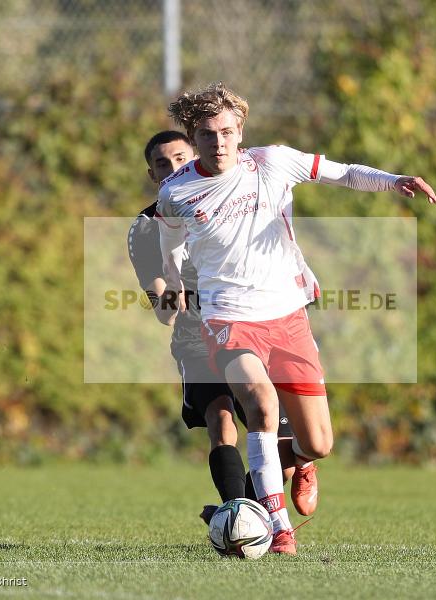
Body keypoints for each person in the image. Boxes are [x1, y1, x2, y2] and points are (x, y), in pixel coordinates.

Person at [156, 83, 436, 554]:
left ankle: (304, 462)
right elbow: (169, 247)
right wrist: (174, 282)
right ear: (194, 135)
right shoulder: (176, 191)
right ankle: (278, 527)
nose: (219, 142)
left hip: (288, 316)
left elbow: (342, 173)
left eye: (227, 132)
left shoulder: (271, 162)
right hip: (229, 319)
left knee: (319, 441)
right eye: (208, 134)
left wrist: (394, 181)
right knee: (261, 405)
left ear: (240, 130)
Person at [127, 131, 311, 524]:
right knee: (221, 420)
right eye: (163, 164)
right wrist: (176, 292)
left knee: (282, 447)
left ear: (196, 156)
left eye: (180, 158)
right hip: (197, 336)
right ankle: (236, 513)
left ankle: (262, 495)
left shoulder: (235, 196)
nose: (173, 169)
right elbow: (164, 311)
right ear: (151, 174)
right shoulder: (147, 227)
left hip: (252, 325)